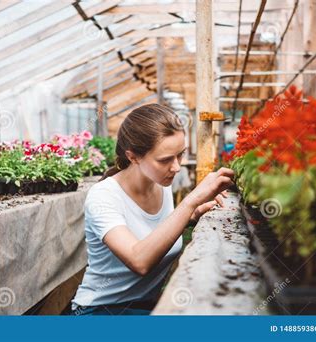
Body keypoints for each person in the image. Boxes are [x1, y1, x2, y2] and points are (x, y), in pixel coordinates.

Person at [70, 104, 234, 315]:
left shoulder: (160, 184)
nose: (176, 167)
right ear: (133, 157)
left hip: (145, 308)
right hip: (100, 311)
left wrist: (192, 215)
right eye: (165, 160)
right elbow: (139, 261)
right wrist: (190, 201)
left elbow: (156, 230)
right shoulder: (104, 196)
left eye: (180, 155)